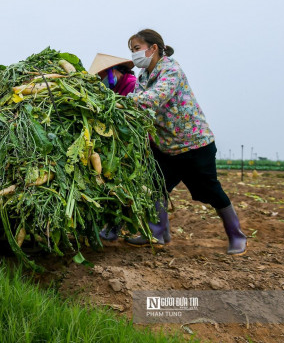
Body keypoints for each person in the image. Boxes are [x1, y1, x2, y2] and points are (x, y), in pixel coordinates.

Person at [124, 29, 246, 255]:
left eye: (137, 49)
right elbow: (139, 107)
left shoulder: (171, 70)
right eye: (132, 50)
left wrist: (123, 102)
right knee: (156, 187)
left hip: (193, 144)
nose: (134, 55)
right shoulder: (142, 77)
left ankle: (237, 235)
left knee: (209, 190)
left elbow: (155, 97)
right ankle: (158, 233)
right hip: (165, 146)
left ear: (153, 48)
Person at [88, 53, 138, 241]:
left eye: (102, 77)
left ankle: (117, 225)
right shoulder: (115, 88)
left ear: (112, 72)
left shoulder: (132, 84)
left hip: (129, 144)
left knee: (121, 183)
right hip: (116, 142)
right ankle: (111, 224)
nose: (101, 81)